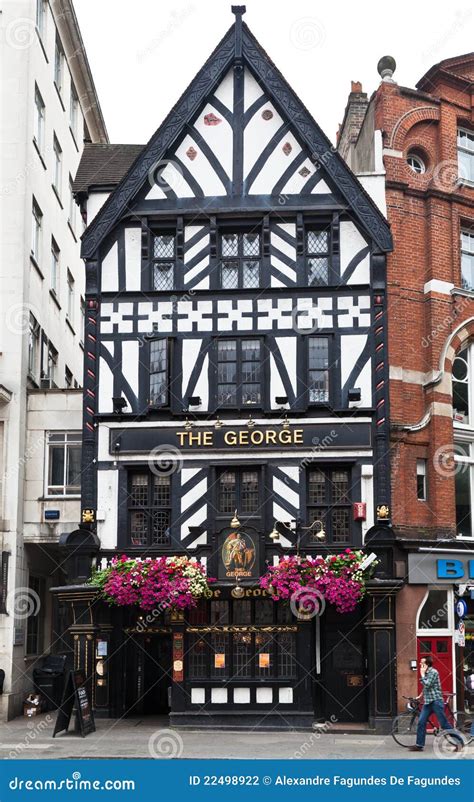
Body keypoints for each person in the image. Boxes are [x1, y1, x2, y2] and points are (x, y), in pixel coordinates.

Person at [409, 656, 464, 752]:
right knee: (421, 722)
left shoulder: (433, 672)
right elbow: (426, 688)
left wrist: (422, 674)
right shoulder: (426, 672)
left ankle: (459, 743)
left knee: (444, 724)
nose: (420, 664)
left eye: (421, 662)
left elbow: (428, 684)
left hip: (436, 701)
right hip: (428, 702)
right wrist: (420, 696)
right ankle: (419, 745)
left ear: (427, 664)